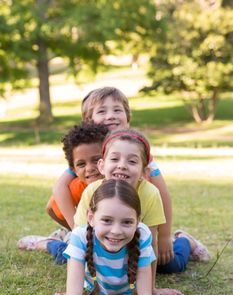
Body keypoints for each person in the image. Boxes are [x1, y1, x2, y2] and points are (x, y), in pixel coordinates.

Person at [68, 128, 210, 295]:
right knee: (65, 254)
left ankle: (185, 241)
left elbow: (152, 242)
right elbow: (78, 239)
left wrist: (150, 289)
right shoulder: (91, 191)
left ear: (144, 172)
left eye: (132, 161)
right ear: (102, 166)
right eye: (114, 159)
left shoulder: (150, 194)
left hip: (135, 248)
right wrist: (72, 290)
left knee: (171, 265)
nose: (122, 165)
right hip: (105, 246)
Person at [53, 87, 173, 266]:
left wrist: (164, 236)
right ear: (88, 121)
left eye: (117, 110)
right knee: (67, 255)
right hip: (99, 216)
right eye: (102, 111)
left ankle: (181, 238)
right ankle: (59, 238)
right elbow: (59, 188)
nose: (111, 115)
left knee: (164, 264)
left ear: (128, 117)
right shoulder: (88, 147)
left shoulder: (134, 147)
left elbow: (161, 192)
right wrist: (77, 232)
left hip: (134, 216)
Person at [64, 179, 154, 295]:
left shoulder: (143, 235)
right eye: (107, 220)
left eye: (127, 222)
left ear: (137, 221)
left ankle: (185, 241)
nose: (116, 231)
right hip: (82, 248)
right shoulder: (80, 236)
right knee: (59, 251)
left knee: (176, 260)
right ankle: (48, 242)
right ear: (91, 218)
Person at [18, 122, 108, 263]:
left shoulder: (121, 183)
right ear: (73, 169)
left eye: (96, 160)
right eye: (81, 164)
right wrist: (75, 228)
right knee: (70, 255)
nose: (90, 168)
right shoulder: (79, 186)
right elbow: (51, 208)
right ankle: (49, 244)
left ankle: (61, 235)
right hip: (87, 236)